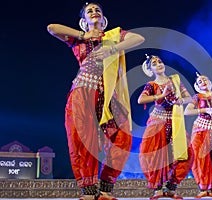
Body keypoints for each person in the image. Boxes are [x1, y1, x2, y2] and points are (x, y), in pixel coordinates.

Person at [47, 2, 145, 200]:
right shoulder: (78, 41)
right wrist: (83, 35)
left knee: (122, 138)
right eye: (89, 11)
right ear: (84, 21)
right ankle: (89, 190)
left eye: (97, 10)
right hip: (83, 93)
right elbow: (52, 28)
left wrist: (112, 49)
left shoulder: (113, 36)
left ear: (103, 19)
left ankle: (107, 188)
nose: (94, 12)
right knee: (83, 140)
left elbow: (139, 38)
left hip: (110, 96)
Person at [137, 55, 194, 200]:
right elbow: (141, 99)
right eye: (154, 64)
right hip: (158, 121)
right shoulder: (151, 85)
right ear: (150, 70)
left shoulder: (175, 81)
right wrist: (160, 95)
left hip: (175, 121)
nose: (159, 64)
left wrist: (181, 99)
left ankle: (171, 188)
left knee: (185, 153)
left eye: (160, 62)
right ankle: (157, 189)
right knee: (154, 155)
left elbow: (189, 98)